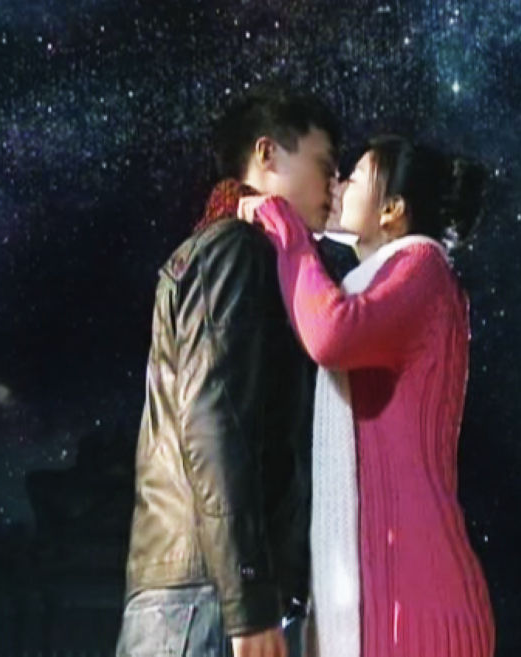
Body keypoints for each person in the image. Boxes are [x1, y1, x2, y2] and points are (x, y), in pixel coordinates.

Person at [116, 89, 357, 657]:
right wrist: (247, 599)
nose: (336, 186)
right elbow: (214, 424)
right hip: (208, 595)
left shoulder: (245, 252)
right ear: (267, 154)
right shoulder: (237, 249)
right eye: (326, 166)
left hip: (205, 590)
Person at [240, 136, 496, 657]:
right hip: (388, 601)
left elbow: (331, 333)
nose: (336, 186)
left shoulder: (422, 268)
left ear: (392, 210)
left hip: (421, 603)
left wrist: (287, 228)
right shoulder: (377, 283)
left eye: (353, 177)